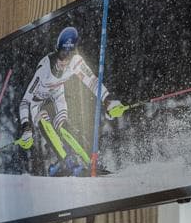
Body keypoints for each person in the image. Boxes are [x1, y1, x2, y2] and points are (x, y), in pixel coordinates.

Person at [14, 26, 119, 175]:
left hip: (57, 98)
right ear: (57, 50)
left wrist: (108, 101)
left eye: (69, 54)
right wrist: (26, 127)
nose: (65, 59)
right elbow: (25, 101)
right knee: (44, 120)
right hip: (38, 103)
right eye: (62, 53)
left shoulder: (76, 62)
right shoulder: (45, 67)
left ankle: (91, 161)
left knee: (64, 127)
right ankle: (67, 162)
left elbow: (92, 82)